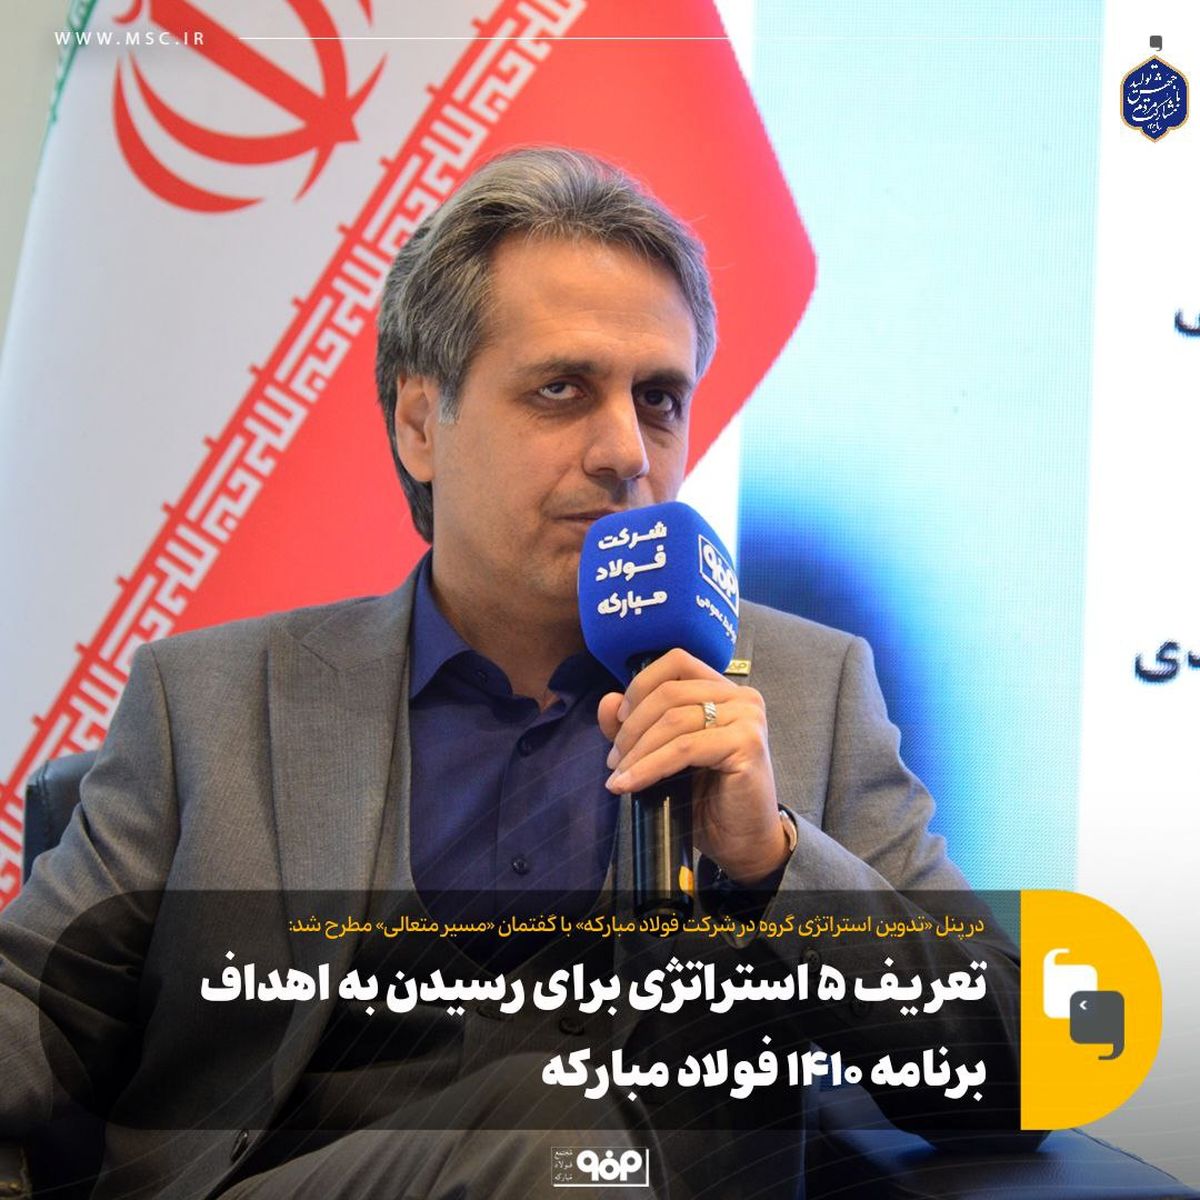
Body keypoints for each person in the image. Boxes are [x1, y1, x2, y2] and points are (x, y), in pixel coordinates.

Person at [0, 147, 1027, 1200]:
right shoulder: (208, 701)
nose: (626, 451)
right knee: (546, 1129)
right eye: (561, 389)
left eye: (659, 399)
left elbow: (1021, 1073)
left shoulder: (804, 694)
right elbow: (30, 1004)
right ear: (419, 424)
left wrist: (774, 860)